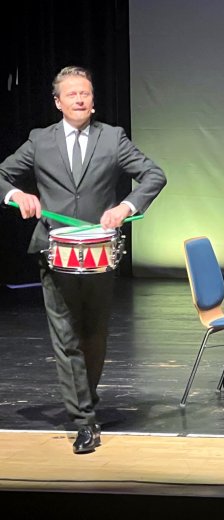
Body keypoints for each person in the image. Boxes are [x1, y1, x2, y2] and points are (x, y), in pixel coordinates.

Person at [0, 66, 166, 453]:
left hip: (99, 252)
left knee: (93, 335)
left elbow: (154, 174)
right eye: (72, 94)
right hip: (53, 251)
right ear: (58, 102)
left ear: (93, 100)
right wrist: (16, 196)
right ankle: (84, 420)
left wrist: (126, 206)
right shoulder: (39, 141)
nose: (80, 99)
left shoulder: (112, 138)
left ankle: (85, 401)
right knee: (66, 336)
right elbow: (2, 175)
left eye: (86, 93)